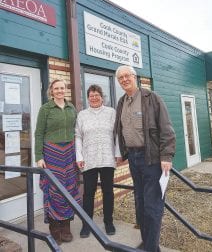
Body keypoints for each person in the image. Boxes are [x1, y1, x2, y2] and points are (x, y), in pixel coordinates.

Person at [113, 65, 176, 252]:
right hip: (133, 158)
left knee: (152, 205)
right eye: (120, 78)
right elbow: (120, 130)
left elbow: (167, 129)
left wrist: (166, 156)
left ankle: (151, 248)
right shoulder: (121, 102)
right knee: (140, 203)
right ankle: (147, 243)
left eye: (127, 76)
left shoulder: (151, 98)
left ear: (135, 77)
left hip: (152, 159)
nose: (124, 79)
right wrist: (121, 153)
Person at [35, 79, 81, 245]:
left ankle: (66, 226)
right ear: (51, 91)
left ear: (65, 90)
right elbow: (39, 133)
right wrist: (39, 156)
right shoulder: (45, 109)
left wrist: (80, 154)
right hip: (51, 153)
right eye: (56, 88)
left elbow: (78, 131)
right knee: (54, 188)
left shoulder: (71, 108)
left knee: (69, 187)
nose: (60, 90)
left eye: (62, 88)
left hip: (69, 152)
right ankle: (55, 227)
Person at [75, 84, 122, 238]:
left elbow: (116, 135)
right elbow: (78, 136)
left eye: (97, 95)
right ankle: (86, 224)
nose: (94, 98)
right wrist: (79, 157)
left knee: (108, 191)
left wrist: (117, 153)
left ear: (102, 97)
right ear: (88, 98)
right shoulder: (82, 115)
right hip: (89, 158)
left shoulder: (111, 112)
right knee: (88, 193)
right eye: (91, 95)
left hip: (107, 158)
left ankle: (109, 222)